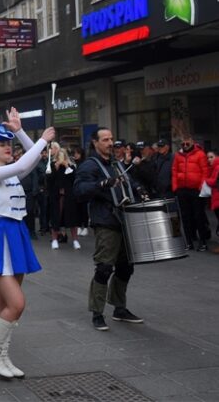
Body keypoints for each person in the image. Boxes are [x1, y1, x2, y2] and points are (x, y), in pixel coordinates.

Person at [0, 116, 54, 379]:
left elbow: (34, 158)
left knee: (5, 303)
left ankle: (2, 354)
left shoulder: (13, 171)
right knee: (17, 303)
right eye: (0, 143)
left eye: (8, 142)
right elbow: (25, 160)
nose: (7, 146)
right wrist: (42, 137)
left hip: (16, 234)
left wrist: (20, 132)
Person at [74, 127, 145, 332]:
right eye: (105, 139)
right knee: (105, 267)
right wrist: (102, 184)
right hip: (106, 221)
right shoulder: (89, 165)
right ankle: (97, 312)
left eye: (111, 139)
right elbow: (79, 191)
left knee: (126, 267)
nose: (110, 143)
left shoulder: (115, 164)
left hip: (124, 220)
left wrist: (139, 189)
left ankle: (119, 308)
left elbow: (127, 182)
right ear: (95, 142)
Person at [172, 135, 210, 251]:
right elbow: (174, 171)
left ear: (192, 142)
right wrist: (175, 187)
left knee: (198, 216)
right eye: (183, 143)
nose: (184, 145)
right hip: (182, 190)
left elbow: (205, 171)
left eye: (187, 143)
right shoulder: (178, 155)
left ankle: (202, 242)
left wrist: (200, 187)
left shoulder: (200, 154)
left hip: (196, 190)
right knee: (185, 217)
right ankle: (188, 242)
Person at [46, 145, 81, 250]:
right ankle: (55, 239)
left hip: (69, 196)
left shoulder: (71, 166)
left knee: (72, 218)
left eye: (63, 156)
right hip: (56, 196)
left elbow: (74, 178)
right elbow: (48, 180)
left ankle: (75, 240)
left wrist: (67, 167)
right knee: (55, 218)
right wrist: (55, 168)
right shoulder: (51, 165)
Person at [71, 147, 89, 237]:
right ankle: (78, 226)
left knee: (84, 209)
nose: (76, 155)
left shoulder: (84, 163)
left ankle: (85, 227)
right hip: (75, 189)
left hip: (83, 189)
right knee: (76, 209)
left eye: (78, 153)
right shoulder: (73, 164)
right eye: (75, 153)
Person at [206, 150, 219, 240]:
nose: (209, 159)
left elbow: (214, 181)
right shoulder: (213, 168)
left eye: (211, 157)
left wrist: (205, 180)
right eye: (208, 157)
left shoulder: (217, 167)